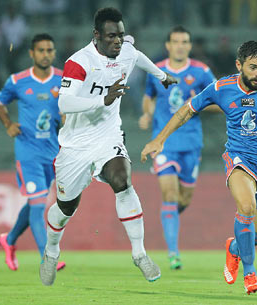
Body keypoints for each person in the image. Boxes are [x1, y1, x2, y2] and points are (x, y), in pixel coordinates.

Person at [141, 41, 257, 294]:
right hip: (239, 158)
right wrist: (159, 139)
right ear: (239, 65)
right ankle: (250, 273)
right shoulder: (222, 87)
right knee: (246, 207)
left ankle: (234, 248)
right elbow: (186, 111)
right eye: (253, 67)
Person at [39, 7, 177, 286]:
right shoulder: (79, 62)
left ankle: (140, 254)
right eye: (112, 36)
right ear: (97, 35)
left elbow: (137, 57)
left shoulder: (125, 50)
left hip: (108, 136)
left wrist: (161, 76)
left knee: (122, 180)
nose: (118, 41)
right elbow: (64, 103)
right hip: (75, 145)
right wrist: (101, 101)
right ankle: (51, 251)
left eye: (121, 35)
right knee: (66, 207)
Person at [138, 25, 216, 269]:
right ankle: (173, 253)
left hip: (191, 143)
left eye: (184, 41)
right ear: (168, 45)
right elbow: (148, 96)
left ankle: (168, 218)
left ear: (189, 46)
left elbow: (218, 101)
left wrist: (197, 104)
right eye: (176, 41)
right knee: (169, 195)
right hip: (164, 144)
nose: (180, 45)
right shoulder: (156, 70)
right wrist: (147, 114)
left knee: (184, 198)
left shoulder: (201, 72)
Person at [0, 33, 66, 272]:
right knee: (38, 205)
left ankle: (9, 240)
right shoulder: (17, 81)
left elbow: (70, 109)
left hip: (53, 153)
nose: (46, 54)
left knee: (36, 202)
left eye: (49, 50)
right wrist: (8, 124)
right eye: (41, 50)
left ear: (54, 53)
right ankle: (48, 258)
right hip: (27, 152)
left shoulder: (63, 79)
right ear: (32, 54)